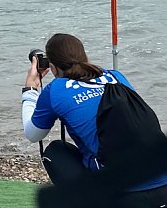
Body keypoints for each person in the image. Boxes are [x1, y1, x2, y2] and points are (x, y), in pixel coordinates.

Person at [22, 33, 167, 205]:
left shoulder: (56, 89)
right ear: (85, 56)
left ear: (52, 67)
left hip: (124, 195)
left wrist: (30, 90)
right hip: (161, 173)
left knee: (55, 152)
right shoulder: (115, 76)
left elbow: (33, 134)